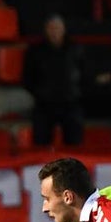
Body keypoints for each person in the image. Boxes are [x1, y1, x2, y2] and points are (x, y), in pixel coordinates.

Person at [22, 14, 84, 147]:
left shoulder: (76, 49)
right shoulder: (35, 51)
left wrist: (76, 92)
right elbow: (28, 77)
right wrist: (39, 93)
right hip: (44, 103)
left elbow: (84, 74)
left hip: (70, 102)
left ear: (63, 29)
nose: (54, 32)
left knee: (74, 144)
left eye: (57, 28)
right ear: (46, 30)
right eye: (51, 28)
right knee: (41, 144)